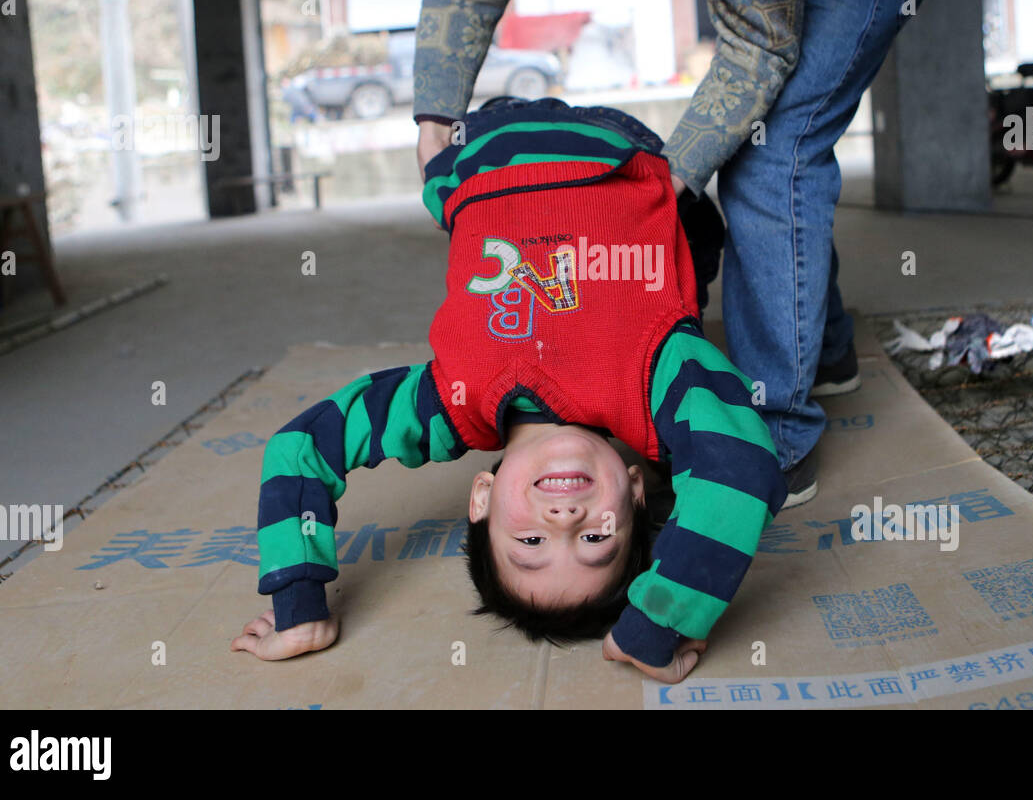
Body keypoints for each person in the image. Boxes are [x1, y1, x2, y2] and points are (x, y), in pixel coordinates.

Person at [409, 0, 957, 508]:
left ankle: (768, 443)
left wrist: (651, 191)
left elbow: (759, 44)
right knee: (748, 150)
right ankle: (827, 346)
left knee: (769, 152)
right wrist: (436, 117)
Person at [232, 97, 786, 684]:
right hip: (619, 151)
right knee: (704, 235)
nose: (565, 518)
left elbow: (300, 449)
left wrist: (299, 606)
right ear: (635, 490)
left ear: (482, 498)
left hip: (482, 149)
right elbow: (739, 468)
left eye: (529, 539)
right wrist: (659, 624)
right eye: (595, 538)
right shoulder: (655, 384)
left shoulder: (447, 403)